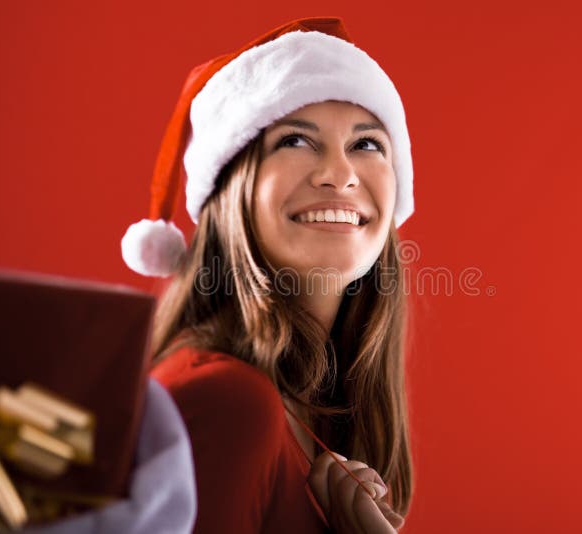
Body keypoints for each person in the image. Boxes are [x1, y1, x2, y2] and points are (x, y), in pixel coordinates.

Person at [121, 16, 415, 533]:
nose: (340, 173)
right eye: (296, 141)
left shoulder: (316, 414)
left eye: (367, 144)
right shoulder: (227, 400)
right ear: (232, 187)